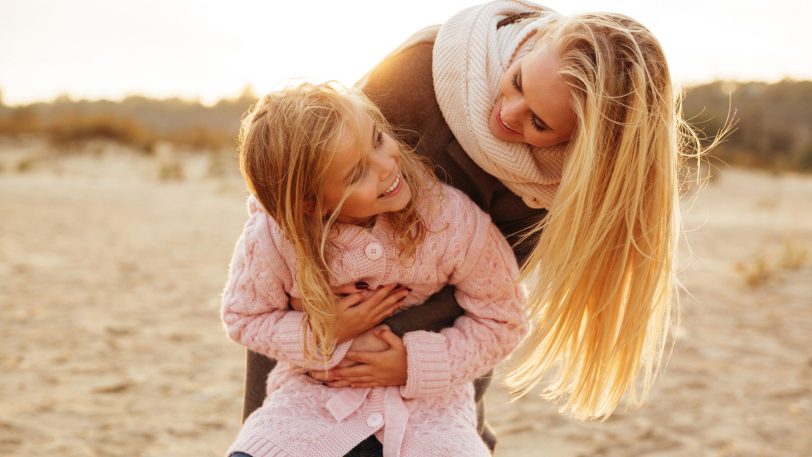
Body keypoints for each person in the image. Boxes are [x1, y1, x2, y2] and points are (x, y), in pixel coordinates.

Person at [242, 0, 711, 454]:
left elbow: (488, 305)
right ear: (531, 45)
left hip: (436, 365)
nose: (507, 115)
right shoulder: (416, 76)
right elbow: (292, 193)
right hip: (313, 324)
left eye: (540, 124)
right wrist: (321, 335)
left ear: (582, 143)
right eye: (518, 82)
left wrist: (410, 364)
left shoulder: (564, 190)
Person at [221, 82, 527, 456]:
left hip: (430, 416)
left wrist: (415, 365)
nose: (386, 167)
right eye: (356, 174)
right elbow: (243, 317)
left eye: (378, 139)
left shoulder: (449, 219)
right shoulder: (273, 238)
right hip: (311, 405)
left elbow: (505, 318)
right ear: (309, 203)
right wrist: (322, 332)